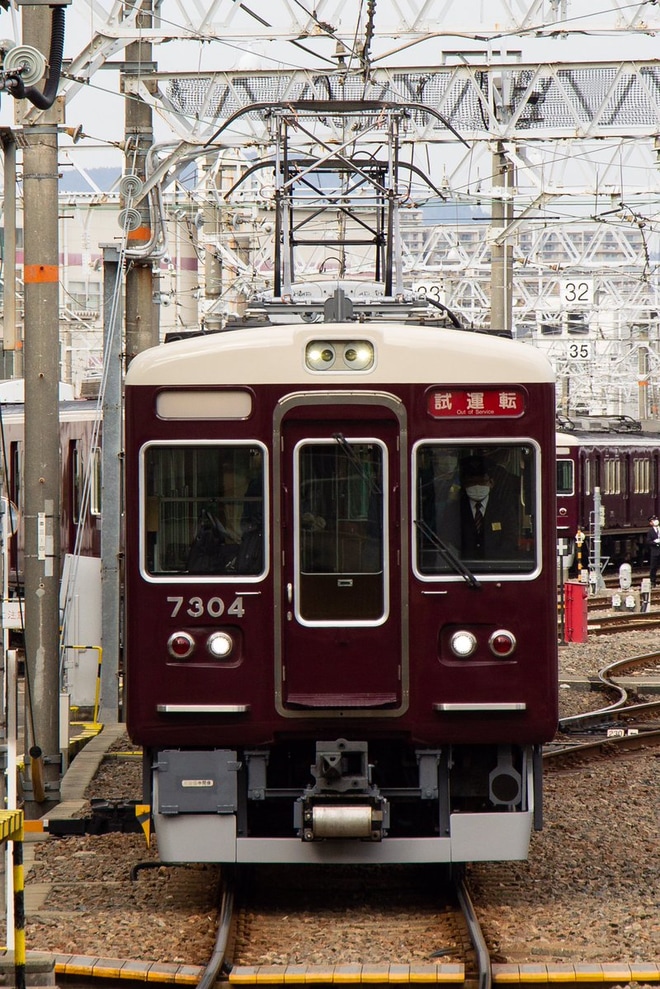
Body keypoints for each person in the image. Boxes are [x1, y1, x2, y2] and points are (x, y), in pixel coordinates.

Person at [442, 454, 519, 560]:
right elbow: (448, 541)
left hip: (498, 569)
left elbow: (510, 540)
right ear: (464, 484)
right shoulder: (454, 510)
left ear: (491, 483)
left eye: (482, 482)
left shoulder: (503, 509)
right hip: (462, 568)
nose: (477, 486)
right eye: (472, 482)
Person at [646, 514, 660, 586]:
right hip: (655, 551)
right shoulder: (650, 532)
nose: (655, 521)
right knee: (653, 567)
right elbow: (648, 541)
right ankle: (653, 582)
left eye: (656, 519)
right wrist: (655, 542)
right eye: (653, 520)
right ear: (650, 523)